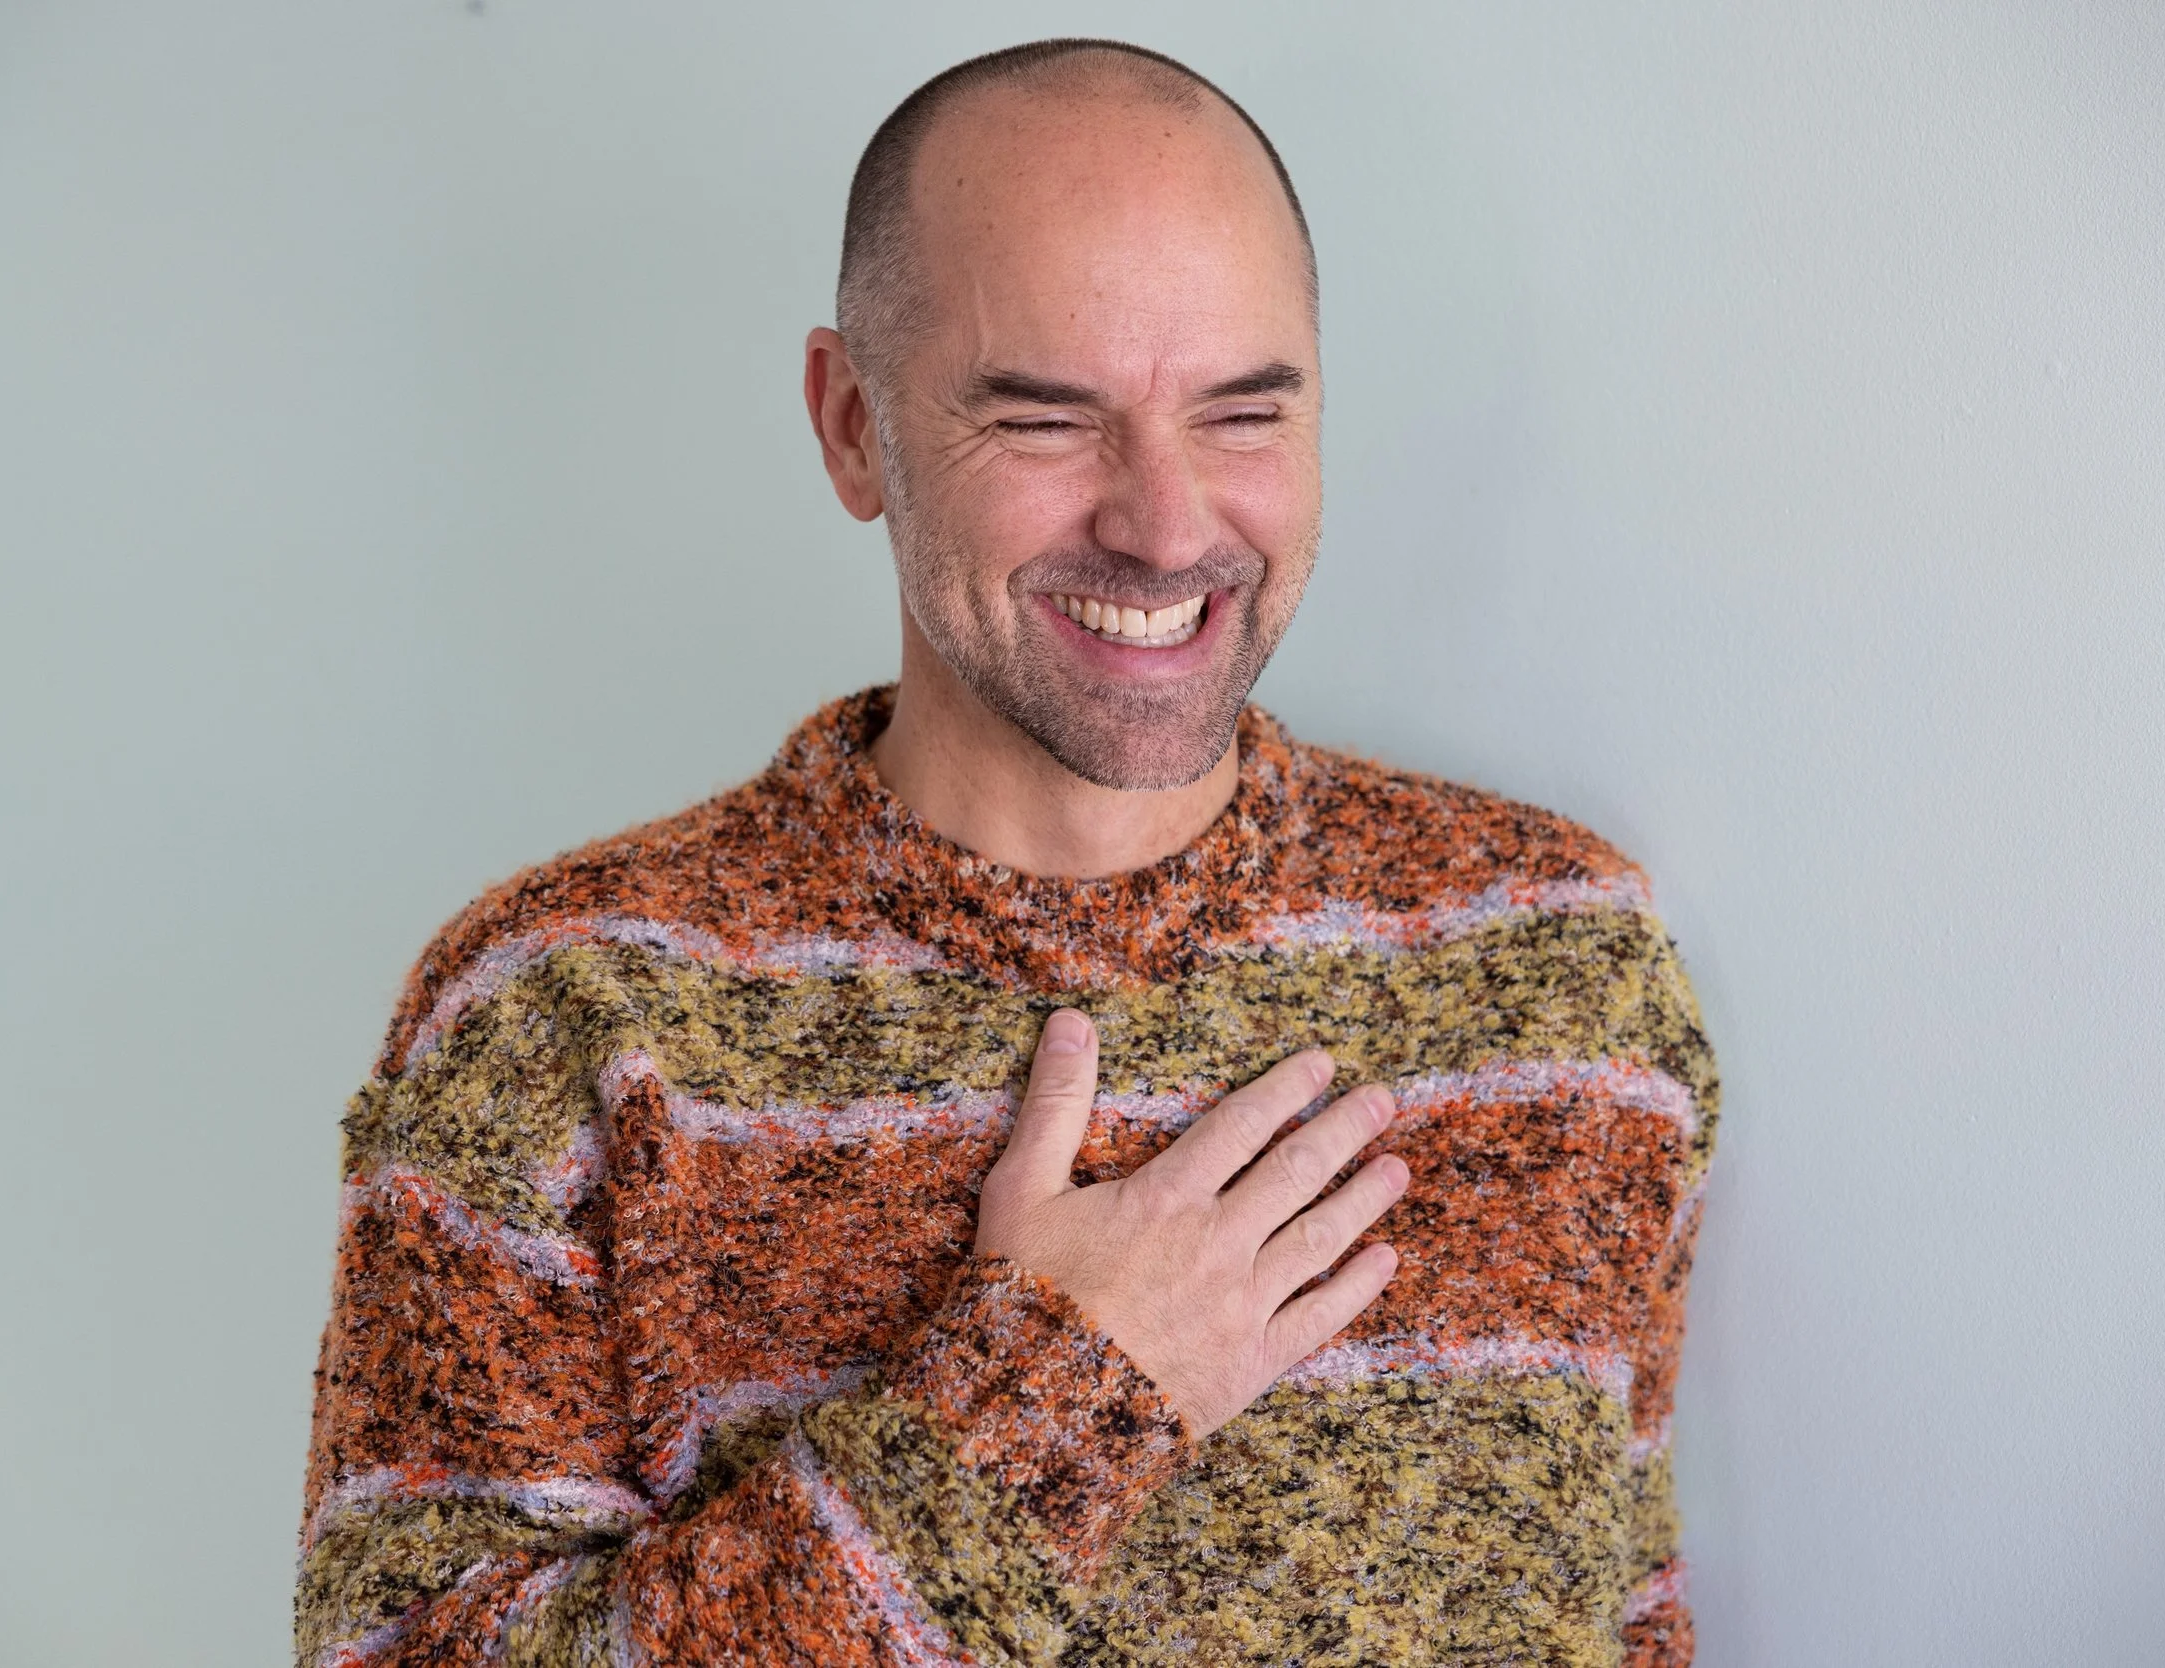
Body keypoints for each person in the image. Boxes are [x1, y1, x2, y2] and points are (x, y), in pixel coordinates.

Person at [296, 37, 1716, 1668]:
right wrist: (1043, 1410)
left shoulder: (1563, 964)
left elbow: (1631, 1621)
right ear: (850, 427)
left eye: (1245, 410)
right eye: (1048, 422)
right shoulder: (556, 1020)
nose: (1170, 526)